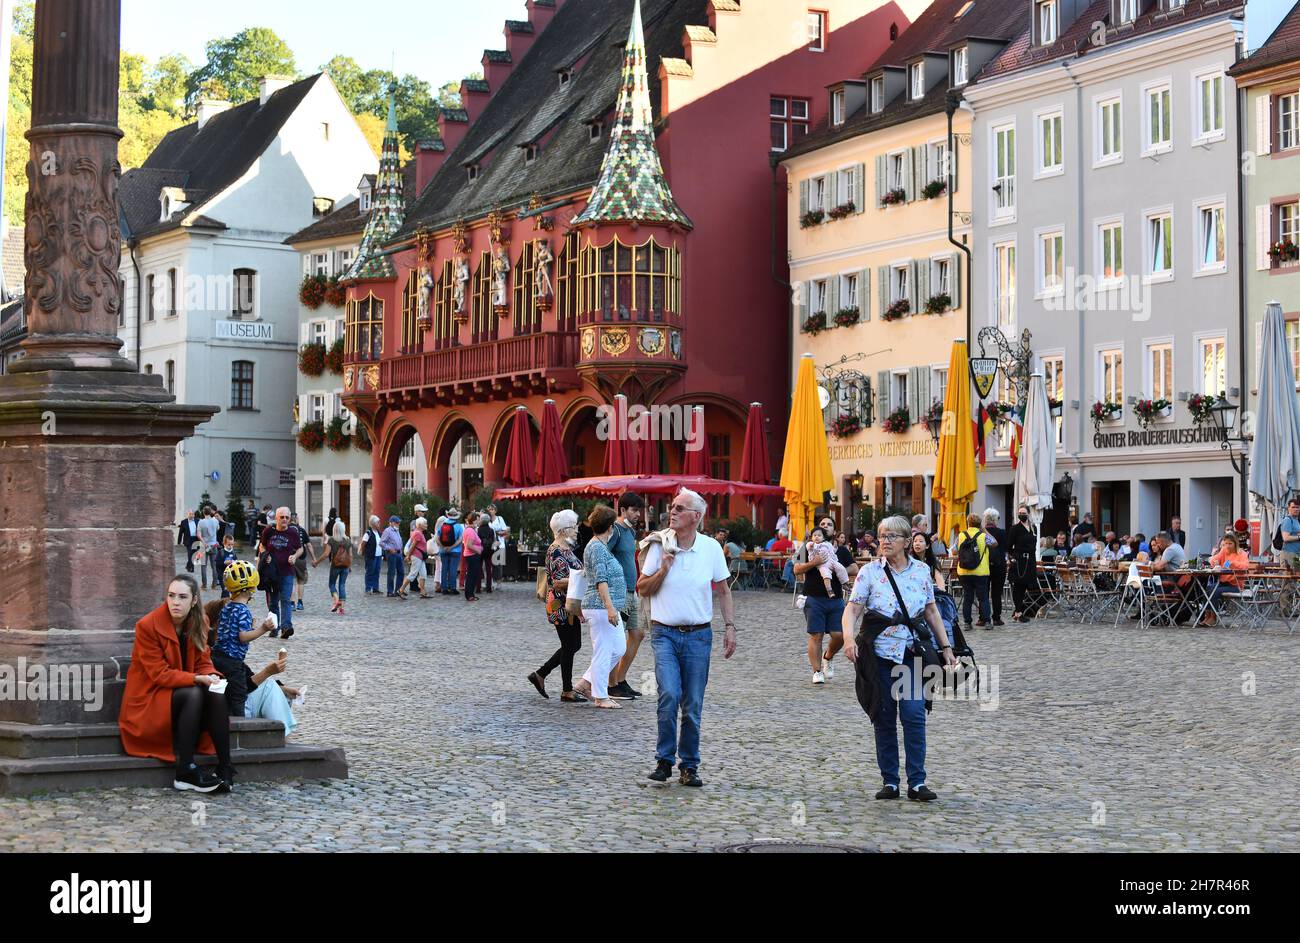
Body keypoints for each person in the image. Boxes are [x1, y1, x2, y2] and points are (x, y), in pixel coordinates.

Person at [842, 516, 957, 802]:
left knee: (914, 714)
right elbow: (853, 610)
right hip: (878, 657)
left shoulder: (921, 572)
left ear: (907, 542)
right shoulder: (869, 573)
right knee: (883, 718)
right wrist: (847, 638)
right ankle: (890, 781)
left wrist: (946, 648)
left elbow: (931, 612)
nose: (885, 540)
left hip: (910, 655)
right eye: (882, 535)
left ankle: (917, 782)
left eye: (892, 536)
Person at [638, 488, 736, 787]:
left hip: (698, 636)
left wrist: (730, 627)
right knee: (668, 694)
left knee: (692, 703)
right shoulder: (659, 546)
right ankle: (664, 761)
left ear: (696, 516)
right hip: (664, 632)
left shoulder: (710, 548)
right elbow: (643, 588)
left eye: (680, 508)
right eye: (672, 507)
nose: (673, 512)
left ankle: (689, 766)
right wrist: (664, 569)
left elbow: (723, 589)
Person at [119, 574, 233, 793]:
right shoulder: (147, 626)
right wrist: (197, 678)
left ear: (193, 601)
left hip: (179, 697)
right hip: (149, 701)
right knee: (194, 692)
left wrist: (211, 675)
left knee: (216, 691)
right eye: (171, 596)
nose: (175, 602)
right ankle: (185, 770)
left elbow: (203, 662)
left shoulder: (200, 621)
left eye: (182, 597)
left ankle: (225, 767)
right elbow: (159, 675)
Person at [527, 510, 588, 703]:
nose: (577, 530)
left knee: (572, 645)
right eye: (574, 527)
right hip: (561, 605)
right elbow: (558, 581)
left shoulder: (566, 548)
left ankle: (541, 674)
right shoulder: (556, 551)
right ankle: (566, 690)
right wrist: (582, 578)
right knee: (570, 645)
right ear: (563, 530)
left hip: (569, 603)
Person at [207, 561, 278, 726]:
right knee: (239, 695)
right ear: (250, 589)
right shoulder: (244, 610)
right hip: (233, 662)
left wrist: (251, 627)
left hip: (217, 657)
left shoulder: (228, 607)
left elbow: (230, 631)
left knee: (221, 693)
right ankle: (240, 728)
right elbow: (242, 637)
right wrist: (263, 628)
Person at [578, 506, 628, 710]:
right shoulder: (597, 548)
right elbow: (601, 580)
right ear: (610, 527)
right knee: (604, 650)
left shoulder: (598, 545)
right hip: (600, 607)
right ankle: (600, 696)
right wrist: (609, 608)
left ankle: (585, 683)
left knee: (619, 648)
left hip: (605, 606)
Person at [793, 527, 847, 687]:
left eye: (829, 524)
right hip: (814, 596)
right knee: (816, 635)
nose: (825, 527)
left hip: (836, 598)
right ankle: (817, 671)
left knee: (839, 635)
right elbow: (796, 569)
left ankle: (828, 656)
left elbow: (853, 568)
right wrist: (814, 563)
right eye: (822, 524)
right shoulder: (807, 547)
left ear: (832, 531)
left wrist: (836, 567)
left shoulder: (841, 550)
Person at [606, 494, 644, 700]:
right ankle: (611, 685)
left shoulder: (630, 531)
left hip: (632, 590)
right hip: (618, 592)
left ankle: (620, 679)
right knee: (616, 640)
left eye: (639, 511)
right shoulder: (616, 531)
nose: (638, 515)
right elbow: (602, 552)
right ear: (622, 510)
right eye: (634, 510)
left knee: (637, 634)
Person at [258, 508, 303, 640]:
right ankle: (274, 627)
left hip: (287, 571)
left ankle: (286, 627)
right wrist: (265, 555)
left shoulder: (292, 532)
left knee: (286, 599)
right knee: (273, 601)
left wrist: (295, 556)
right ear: (276, 518)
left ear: (290, 519)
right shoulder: (269, 531)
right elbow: (262, 545)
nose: (284, 520)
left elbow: (300, 548)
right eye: (281, 517)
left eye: (286, 518)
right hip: (271, 572)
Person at [954, 513, 993, 629]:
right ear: (979, 524)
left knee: (968, 597)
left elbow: (954, 551)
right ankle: (987, 622)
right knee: (983, 598)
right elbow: (995, 543)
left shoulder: (961, 536)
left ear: (968, 523)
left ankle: (967, 623)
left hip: (964, 572)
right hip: (980, 572)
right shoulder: (983, 536)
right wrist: (984, 530)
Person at [1203, 534, 1250, 626]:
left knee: (1214, 591)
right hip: (1223, 583)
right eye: (1225, 543)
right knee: (1208, 589)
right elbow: (1213, 559)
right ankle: (1207, 616)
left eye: (1230, 543)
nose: (1227, 546)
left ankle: (1214, 617)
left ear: (1235, 543)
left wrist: (1233, 563)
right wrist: (1214, 562)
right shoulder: (1224, 551)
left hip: (1235, 585)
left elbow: (1245, 566)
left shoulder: (1241, 553)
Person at [1150, 531, 1189, 624]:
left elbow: (1159, 566)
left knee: (1152, 581)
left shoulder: (1169, 550)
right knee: (1155, 579)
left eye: (1158, 543)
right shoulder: (1177, 546)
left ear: (1163, 541)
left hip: (1175, 580)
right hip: (1181, 579)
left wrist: (1150, 566)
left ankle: (1156, 612)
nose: (1158, 545)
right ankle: (1159, 612)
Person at [1007, 506, 1038, 622]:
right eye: (1020, 513)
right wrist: (1013, 558)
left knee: (1025, 585)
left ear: (1028, 514)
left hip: (1030, 561)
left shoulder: (1033, 528)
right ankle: (1019, 612)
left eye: (1023, 513)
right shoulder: (1015, 529)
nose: (1021, 514)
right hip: (1019, 561)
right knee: (1018, 587)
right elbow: (1009, 546)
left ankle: (1017, 611)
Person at [316, 519, 353, 614]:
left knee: (331, 584)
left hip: (335, 566)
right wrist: (349, 566)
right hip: (345, 566)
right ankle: (341, 609)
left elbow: (325, 554)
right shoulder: (348, 540)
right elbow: (351, 555)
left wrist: (317, 562)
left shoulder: (331, 540)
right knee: (342, 584)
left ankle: (336, 601)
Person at [983, 509, 1007, 626]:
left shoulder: (981, 532)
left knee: (984, 593)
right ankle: (996, 618)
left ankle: (983, 618)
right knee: (997, 593)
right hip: (999, 566)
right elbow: (1006, 548)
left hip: (984, 566)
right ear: (995, 519)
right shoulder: (1002, 533)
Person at [435, 508, 464, 596]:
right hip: (455, 551)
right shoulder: (458, 526)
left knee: (444, 569)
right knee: (453, 569)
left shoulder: (442, 525)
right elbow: (460, 539)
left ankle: (444, 588)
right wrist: (451, 547)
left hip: (443, 550)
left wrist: (443, 547)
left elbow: (437, 538)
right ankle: (453, 588)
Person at [289, 513, 311, 611]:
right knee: (300, 581)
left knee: (292, 582)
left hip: (289, 558)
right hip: (301, 558)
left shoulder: (286, 529)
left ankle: (292, 603)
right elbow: (309, 545)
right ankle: (300, 603)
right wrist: (314, 558)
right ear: (296, 519)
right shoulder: (301, 530)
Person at [405, 518, 431, 599]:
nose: (426, 525)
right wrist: (408, 556)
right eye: (425, 524)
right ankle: (401, 589)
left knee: (423, 574)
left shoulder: (420, 533)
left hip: (421, 557)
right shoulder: (418, 533)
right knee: (413, 574)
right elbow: (413, 545)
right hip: (416, 557)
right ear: (419, 525)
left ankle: (423, 592)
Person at [381, 515, 405, 599]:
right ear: (391, 523)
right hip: (392, 554)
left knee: (401, 572)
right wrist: (389, 549)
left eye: (398, 522)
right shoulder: (387, 531)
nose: (398, 524)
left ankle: (398, 590)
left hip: (398, 553)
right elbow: (382, 543)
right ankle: (390, 591)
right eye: (397, 522)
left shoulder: (396, 530)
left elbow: (398, 541)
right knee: (391, 572)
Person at [462, 512, 484, 602]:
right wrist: (478, 550)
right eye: (478, 519)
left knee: (473, 575)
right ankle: (469, 594)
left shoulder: (471, 530)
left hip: (472, 555)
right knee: (472, 575)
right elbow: (469, 545)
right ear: (474, 520)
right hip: (472, 556)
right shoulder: (470, 531)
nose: (479, 521)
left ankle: (470, 594)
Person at [361, 515, 383, 595]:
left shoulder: (379, 533)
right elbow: (363, 543)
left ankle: (375, 588)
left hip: (379, 555)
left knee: (377, 572)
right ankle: (368, 588)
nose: (379, 524)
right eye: (378, 522)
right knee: (370, 571)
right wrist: (364, 553)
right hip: (371, 556)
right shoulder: (368, 533)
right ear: (373, 524)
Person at [214, 533, 240, 600]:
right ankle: (224, 603)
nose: (230, 546)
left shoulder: (233, 552)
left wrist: (235, 563)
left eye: (232, 544)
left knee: (231, 590)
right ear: (224, 544)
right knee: (225, 590)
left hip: (232, 575)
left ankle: (227, 602)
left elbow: (236, 562)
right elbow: (217, 564)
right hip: (223, 576)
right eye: (229, 544)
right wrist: (224, 563)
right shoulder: (221, 552)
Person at [476, 511, 496, 594]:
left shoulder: (478, 530)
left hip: (480, 550)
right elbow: (494, 541)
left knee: (479, 569)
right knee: (488, 569)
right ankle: (489, 587)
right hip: (489, 551)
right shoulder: (491, 530)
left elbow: (476, 541)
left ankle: (478, 588)